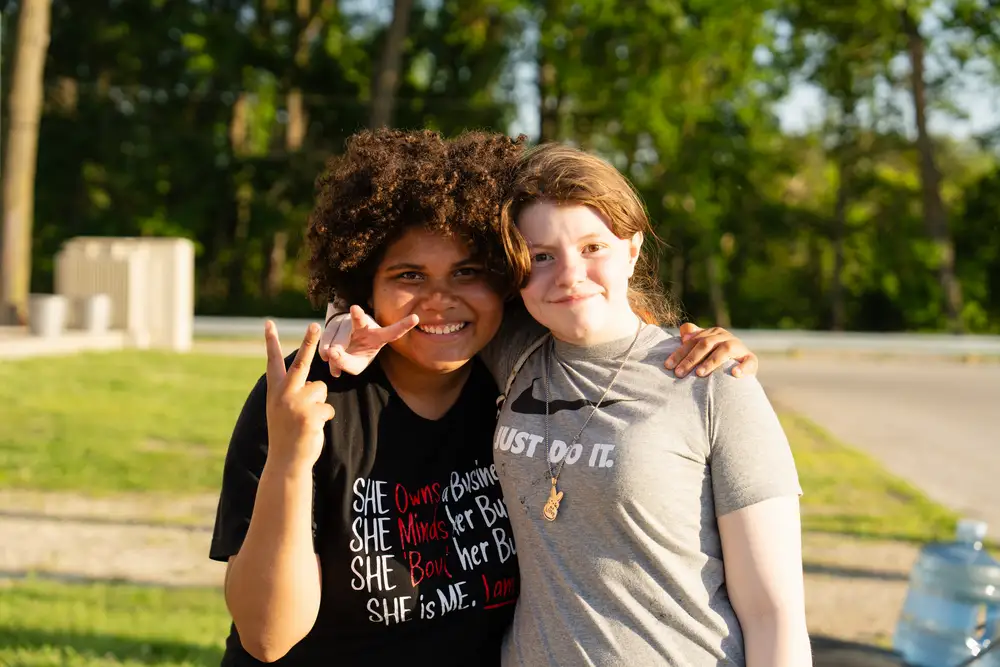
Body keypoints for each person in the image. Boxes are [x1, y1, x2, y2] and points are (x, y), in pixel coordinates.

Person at [210, 129, 761, 667]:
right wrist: (289, 458)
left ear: (503, 280)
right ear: (363, 286)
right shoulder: (308, 397)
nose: (440, 301)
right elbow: (267, 638)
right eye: (408, 275)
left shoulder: (521, 381)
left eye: (468, 272)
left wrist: (694, 347)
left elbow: (593, 318)